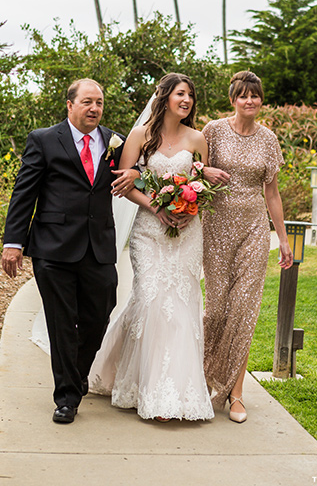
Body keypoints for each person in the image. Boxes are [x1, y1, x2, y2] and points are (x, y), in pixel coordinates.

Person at [2, 78, 137, 424]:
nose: (95, 108)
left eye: (100, 103)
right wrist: (13, 242)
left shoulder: (114, 141)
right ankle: (66, 397)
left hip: (99, 246)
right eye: (88, 101)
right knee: (62, 324)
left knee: (98, 316)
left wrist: (135, 170)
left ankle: (74, 379)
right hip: (53, 248)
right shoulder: (44, 140)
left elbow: (140, 166)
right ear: (70, 104)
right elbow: (24, 193)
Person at [88, 73, 214, 422]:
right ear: (165, 98)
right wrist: (157, 206)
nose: (186, 100)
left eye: (190, 94)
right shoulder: (141, 135)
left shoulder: (197, 138)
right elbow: (124, 181)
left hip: (187, 233)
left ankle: (175, 392)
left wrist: (190, 210)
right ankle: (143, 386)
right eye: (179, 93)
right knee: (151, 299)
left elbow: (201, 185)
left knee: (182, 304)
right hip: (149, 230)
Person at [202, 71, 293, 423]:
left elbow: (272, 192)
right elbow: (195, 170)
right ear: (233, 99)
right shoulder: (213, 130)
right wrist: (204, 171)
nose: (250, 101)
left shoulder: (268, 139)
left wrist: (281, 239)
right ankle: (207, 377)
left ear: (261, 100)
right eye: (243, 96)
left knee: (244, 309)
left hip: (254, 229)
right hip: (216, 227)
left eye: (255, 96)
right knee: (217, 309)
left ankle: (235, 393)